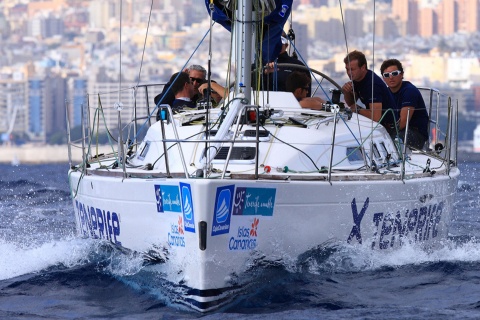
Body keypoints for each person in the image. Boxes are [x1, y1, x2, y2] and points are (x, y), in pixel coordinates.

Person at [341, 50, 398, 137]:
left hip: (388, 129)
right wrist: (346, 92)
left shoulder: (372, 84)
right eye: (347, 69)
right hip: (375, 125)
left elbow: (376, 118)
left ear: (363, 68)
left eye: (352, 69)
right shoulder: (357, 79)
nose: (349, 73)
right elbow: (351, 103)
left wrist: (358, 109)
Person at [380, 59, 429, 149]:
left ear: (402, 74)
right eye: (386, 75)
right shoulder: (385, 93)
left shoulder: (409, 91)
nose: (390, 77)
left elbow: (403, 123)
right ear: (383, 78)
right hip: (396, 130)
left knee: (394, 139)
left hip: (415, 134)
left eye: (394, 73)